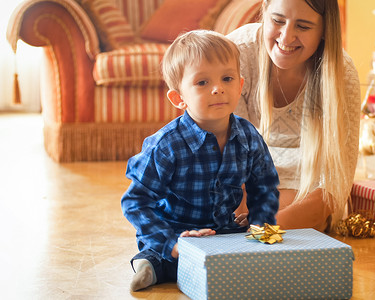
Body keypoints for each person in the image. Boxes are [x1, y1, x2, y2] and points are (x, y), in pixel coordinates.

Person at [121, 30, 280, 292]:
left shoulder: (248, 136)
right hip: (176, 232)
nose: (218, 88)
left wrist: (259, 226)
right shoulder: (167, 145)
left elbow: (264, 186)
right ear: (178, 98)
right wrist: (172, 242)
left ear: (240, 86)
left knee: (255, 253)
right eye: (202, 83)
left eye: (226, 79)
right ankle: (150, 266)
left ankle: (228, 261)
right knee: (163, 258)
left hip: (221, 232)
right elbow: (135, 202)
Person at [228, 0, 361, 231]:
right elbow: (226, 163)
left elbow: (334, 186)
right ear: (265, 12)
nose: (286, 37)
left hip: (305, 186)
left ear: (324, 31)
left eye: (303, 26)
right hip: (248, 182)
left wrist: (269, 227)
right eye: (278, 20)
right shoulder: (237, 53)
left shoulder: (342, 73)